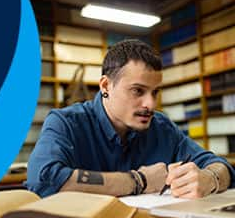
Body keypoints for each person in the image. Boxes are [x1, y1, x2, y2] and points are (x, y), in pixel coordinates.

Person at [26, 39, 234, 199]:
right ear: (106, 86)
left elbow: (219, 165)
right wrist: (139, 181)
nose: (150, 105)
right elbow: (43, 180)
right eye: (138, 91)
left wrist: (210, 179)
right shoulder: (66, 123)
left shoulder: (161, 127)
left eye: (155, 93)